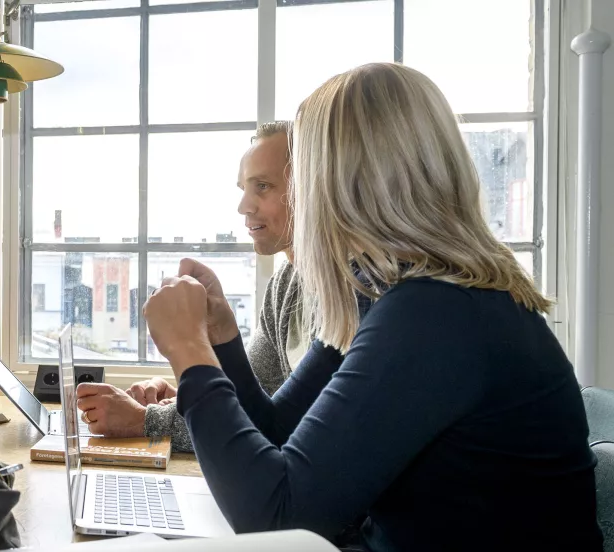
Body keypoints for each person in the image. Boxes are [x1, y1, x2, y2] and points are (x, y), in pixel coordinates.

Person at [144, 63, 602, 550]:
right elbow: (279, 433)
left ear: (345, 181)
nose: (301, 194)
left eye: (305, 174)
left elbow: (278, 521)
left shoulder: (437, 313)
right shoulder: (391, 295)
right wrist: (220, 340)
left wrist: (189, 355)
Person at [76, 122, 307, 449]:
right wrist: (180, 398)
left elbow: (265, 428)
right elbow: (252, 401)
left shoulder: (352, 296)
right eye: (243, 188)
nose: (243, 206)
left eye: (263, 186)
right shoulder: (286, 284)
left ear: (312, 187)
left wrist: (145, 420)